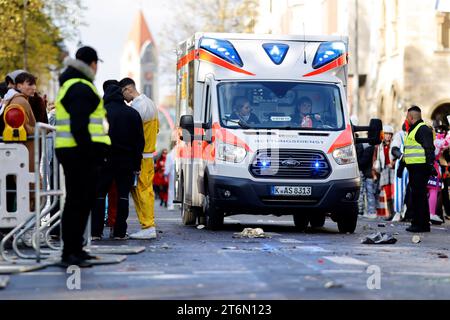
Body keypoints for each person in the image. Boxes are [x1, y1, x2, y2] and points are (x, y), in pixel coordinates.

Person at [55, 46, 111, 267]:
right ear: (93, 64)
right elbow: (80, 126)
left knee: (78, 202)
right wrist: (91, 154)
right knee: (78, 203)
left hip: (72, 151)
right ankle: (71, 253)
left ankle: (75, 249)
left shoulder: (72, 83)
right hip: (79, 154)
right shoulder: (80, 86)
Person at [91, 81, 144, 240]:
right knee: (122, 196)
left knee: (99, 196)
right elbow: (139, 142)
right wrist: (136, 163)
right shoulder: (132, 114)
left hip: (103, 161)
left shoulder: (99, 114)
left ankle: (96, 232)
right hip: (125, 161)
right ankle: (119, 231)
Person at [119, 77, 159, 240]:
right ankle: (147, 225)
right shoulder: (150, 103)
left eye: (123, 93)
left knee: (142, 191)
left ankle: (148, 226)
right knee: (145, 190)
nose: (124, 98)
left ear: (128, 89)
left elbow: (133, 134)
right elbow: (155, 130)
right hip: (148, 154)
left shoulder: (137, 107)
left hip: (141, 156)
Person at [400, 105, 436, 233]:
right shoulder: (414, 129)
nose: (406, 118)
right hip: (415, 169)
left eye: (406, 116)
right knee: (417, 196)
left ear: (410, 117)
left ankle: (420, 225)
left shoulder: (422, 129)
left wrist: (430, 166)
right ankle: (420, 224)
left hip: (420, 169)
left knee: (418, 197)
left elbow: (429, 149)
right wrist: (402, 166)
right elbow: (409, 150)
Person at [374, 124, 395, 220]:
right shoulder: (379, 147)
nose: (388, 136)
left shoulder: (394, 145)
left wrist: (393, 162)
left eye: (390, 134)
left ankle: (396, 213)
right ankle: (390, 214)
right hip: (384, 170)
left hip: (393, 170)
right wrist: (375, 172)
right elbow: (376, 159)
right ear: (383, 135)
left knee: (394, 192)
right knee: (387, 193)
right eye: (387, 134)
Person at [390, 122, 409, 222]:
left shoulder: (418, 133)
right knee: (399, 189)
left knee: (411, 189)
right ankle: (398, 212)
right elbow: (394, 149)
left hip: (414, 164)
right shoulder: (400, 134)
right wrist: (401, 156)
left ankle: (407, 211)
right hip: (402, 164)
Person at [356, 139, 377, 218]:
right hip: (369, 173)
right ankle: (369, 211)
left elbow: (362, 161)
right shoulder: (369, 146)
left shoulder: (364, 147)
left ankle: (365, 211)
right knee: (369, 193)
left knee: (366, 193)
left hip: (368, 173)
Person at [164, 144, 176, 211]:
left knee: (171, 189)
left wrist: (165, 174)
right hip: (177, 172)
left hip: (172, 173)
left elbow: (167, 166)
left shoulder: (169, 155)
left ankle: (171, 204)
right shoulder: (181, 153)